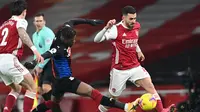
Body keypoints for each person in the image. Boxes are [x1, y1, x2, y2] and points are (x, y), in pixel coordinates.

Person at [25, 18, 140, 112]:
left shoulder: (64, 30)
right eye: (72, 40)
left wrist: (90, 22)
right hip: (66, 80)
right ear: (65, 40)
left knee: (52, 103)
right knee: (92, 92)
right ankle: (126, 107)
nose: (74, 42)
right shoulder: (59, 48)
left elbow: (72, 21)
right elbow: (47, 54)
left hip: (57, 82)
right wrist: (33, 63)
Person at [94, 6, 175, 112]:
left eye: (135, 18)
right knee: (111, 100)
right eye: (131, 19)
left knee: (150, 86)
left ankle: (162, 110)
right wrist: (106, 28)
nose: (134, 21)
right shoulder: (115, 30)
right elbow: (96, 40)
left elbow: (134, 40)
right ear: (123, 18)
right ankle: (100, 110)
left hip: (134, 66)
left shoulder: (137, 26)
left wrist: (138, 50)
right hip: (120, 70)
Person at [0, 0, 44, 112]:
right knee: (32, 87)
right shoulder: (21, 21)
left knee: (16, 88)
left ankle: (6, 110)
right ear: (24, 12)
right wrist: (35, 51)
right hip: (10, 59)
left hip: (1, 61)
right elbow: (22, 34)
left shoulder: (4, 24)